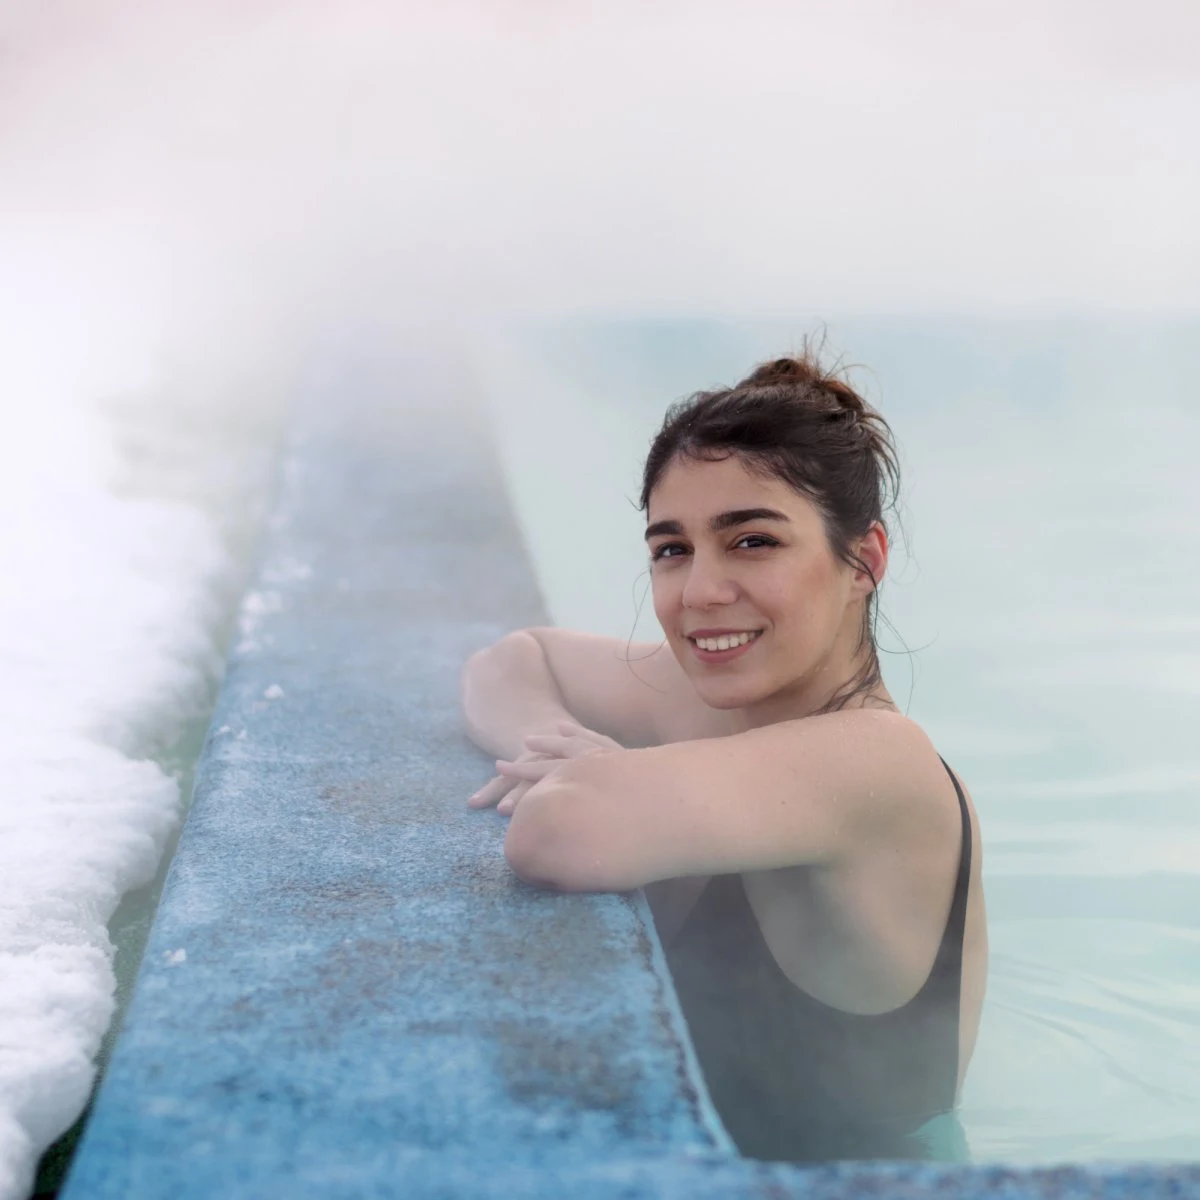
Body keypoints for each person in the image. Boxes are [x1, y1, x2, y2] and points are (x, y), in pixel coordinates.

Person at [459, 349, 987, 1163]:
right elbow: (510, 663)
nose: (700, 591)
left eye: (751, 541)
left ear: (864, 561)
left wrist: (602, 779)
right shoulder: (715, 706)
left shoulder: (881, 764)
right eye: (672, 549)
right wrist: (566, 747)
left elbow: (555, 831)